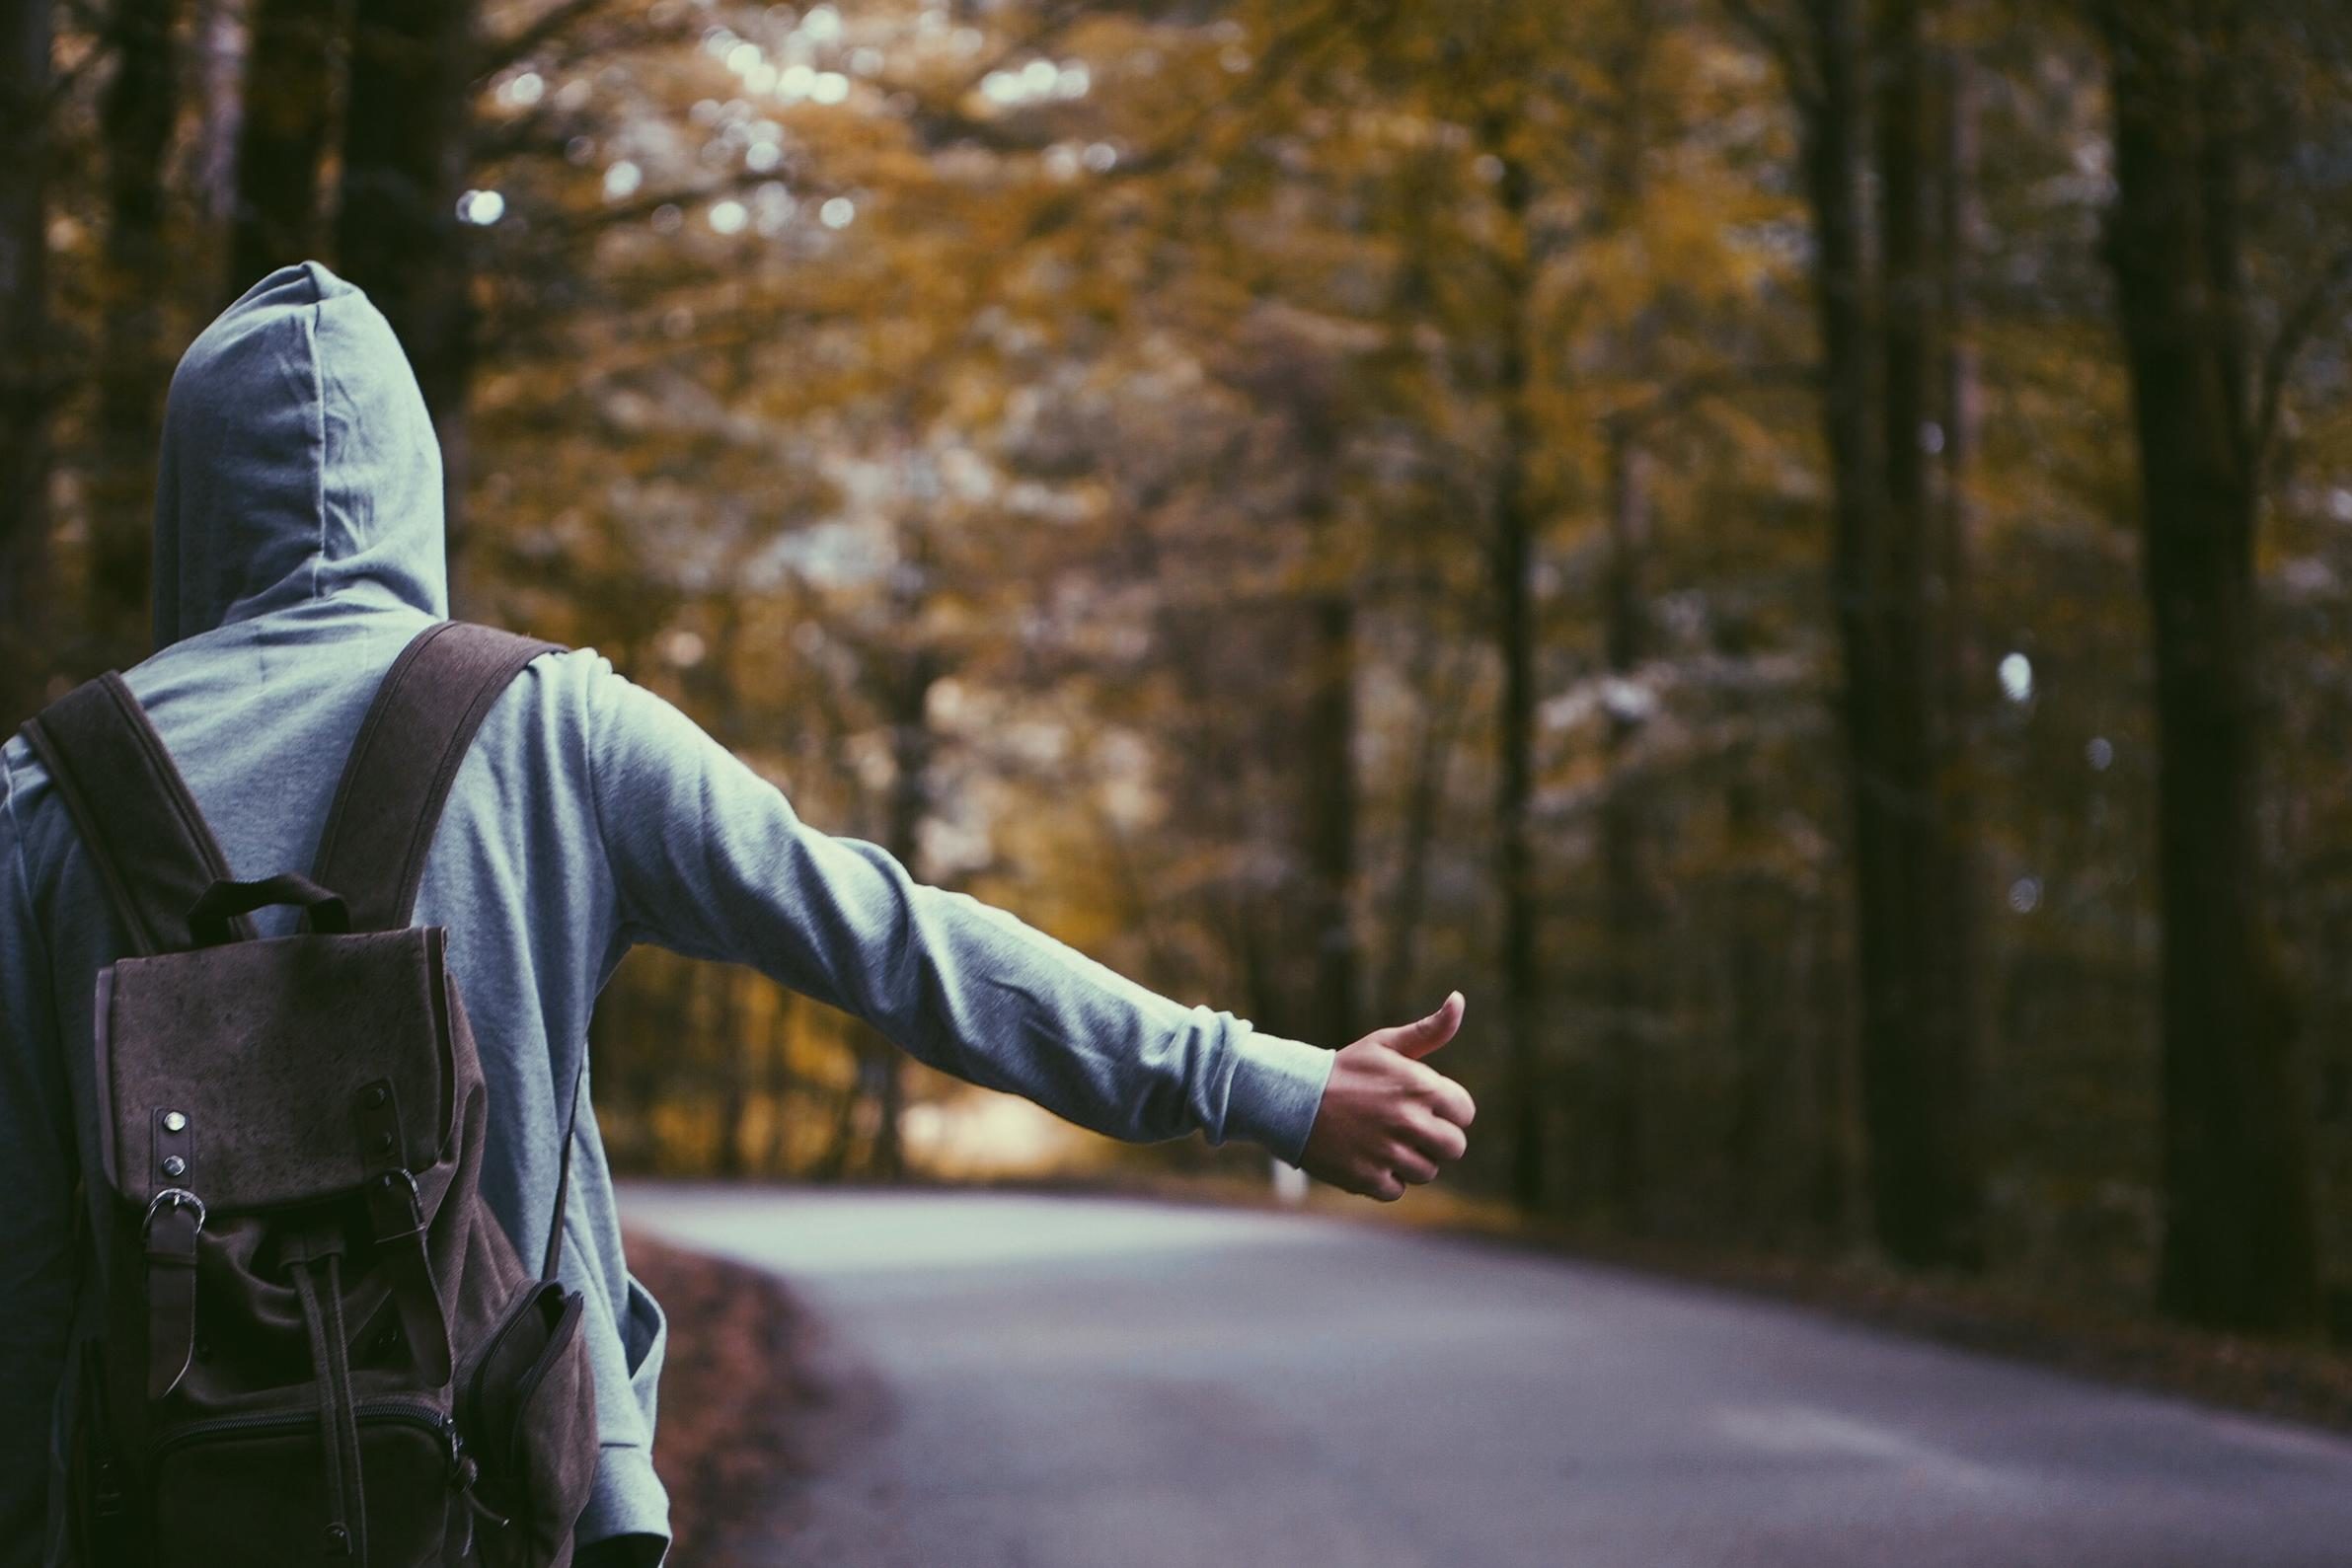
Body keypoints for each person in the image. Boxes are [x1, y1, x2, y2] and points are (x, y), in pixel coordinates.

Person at [0, 262, 1476, 1566]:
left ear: (186, 499)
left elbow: (23, 1266)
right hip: (503, 1510)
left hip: (155, 1517)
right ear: (413, 484)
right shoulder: (549, 729)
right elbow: (896, 940)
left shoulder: (42, 797)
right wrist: (1263, 1082)